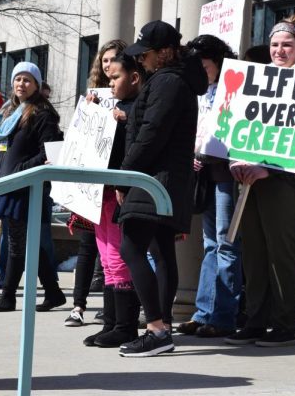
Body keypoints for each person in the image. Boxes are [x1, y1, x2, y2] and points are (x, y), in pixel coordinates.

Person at [224, 15, 295, 348]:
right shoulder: (258, 80)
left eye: (287, 45)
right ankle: (255, 320)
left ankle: (283, 324)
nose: (279, 50)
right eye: (274, 44)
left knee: (281, 254)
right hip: (251, 179)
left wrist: (271, 169)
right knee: (253, 252)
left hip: (288, 182)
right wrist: (236, 159)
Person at [115, 20, 208, 357]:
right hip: (165, 179)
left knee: (131, 247)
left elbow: (151, 134)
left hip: (155, 179)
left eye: (147, 54)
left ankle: (155, 327)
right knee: (160, 249)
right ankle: (162, 328)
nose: (142, 60)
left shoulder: (168, 81)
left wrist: (125, 176)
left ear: (166, 52)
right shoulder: (174, 80)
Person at [176, 34, 242, 339]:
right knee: (211, 246)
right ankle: (204, 312)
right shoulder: (199, 93)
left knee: (226, 245)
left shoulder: (236, 89)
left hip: (228, 175)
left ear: (219, 62)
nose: (201, 71)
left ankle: (224, 316)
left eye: (205, 65)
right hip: (206, 173)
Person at [0, 62, 64, 314]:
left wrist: (21, 170)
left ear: (37, 85)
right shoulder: (8, 112)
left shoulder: (42, 114)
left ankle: (8, 295)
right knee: (25, 241)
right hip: (8, 186)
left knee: (18, 242)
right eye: (18, 79)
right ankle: (53, 292)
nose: (22, 84)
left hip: (26, 187)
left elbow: (49, 152)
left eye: (28, 80)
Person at [84, 52, 144, 347]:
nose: (111, 82)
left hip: (122, 189)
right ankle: (111, 323)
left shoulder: (137, 106)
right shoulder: (116, 104)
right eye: (108, 78)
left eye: (116, 77)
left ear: (134, 77)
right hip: (104, 188)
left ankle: (125, 325)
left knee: (119, 258)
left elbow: (143, 137)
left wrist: (125, 118)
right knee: (107, 258)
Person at [65, 39, 126, 328]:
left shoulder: (131, 101)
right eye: (104, 61)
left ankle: (118, 320)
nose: (109, 66)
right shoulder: (92, 97)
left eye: (115, 60)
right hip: (94, 189)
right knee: (96, 249)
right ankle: (85, 308)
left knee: (116, 255)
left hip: (116, 186)